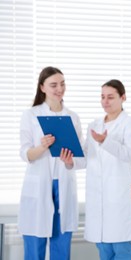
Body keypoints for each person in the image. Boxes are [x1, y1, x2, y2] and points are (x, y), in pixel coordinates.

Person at [18, 66, 85, 260]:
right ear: (42, 87)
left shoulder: (73, 117)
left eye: (63, 84)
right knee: (34, 240)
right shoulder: (30, 115)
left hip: (63, 182)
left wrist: (69, 161)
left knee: (61, 241)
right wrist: (42, 147)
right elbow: (25, 153)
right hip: (39, 183)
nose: (60, 89)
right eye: (54, 85)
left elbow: (81, 156)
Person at [84, 79, 131, 260]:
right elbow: (86, 157)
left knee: (121, 246)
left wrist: (105, 141)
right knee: (103, 248)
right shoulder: (94, 125)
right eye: (102, 97)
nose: (105, 102)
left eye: (110, 97)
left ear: (123, 97)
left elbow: (128, 154)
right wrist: (69, 161)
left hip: (118, 197)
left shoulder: (130, 123)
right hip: (97, 196)